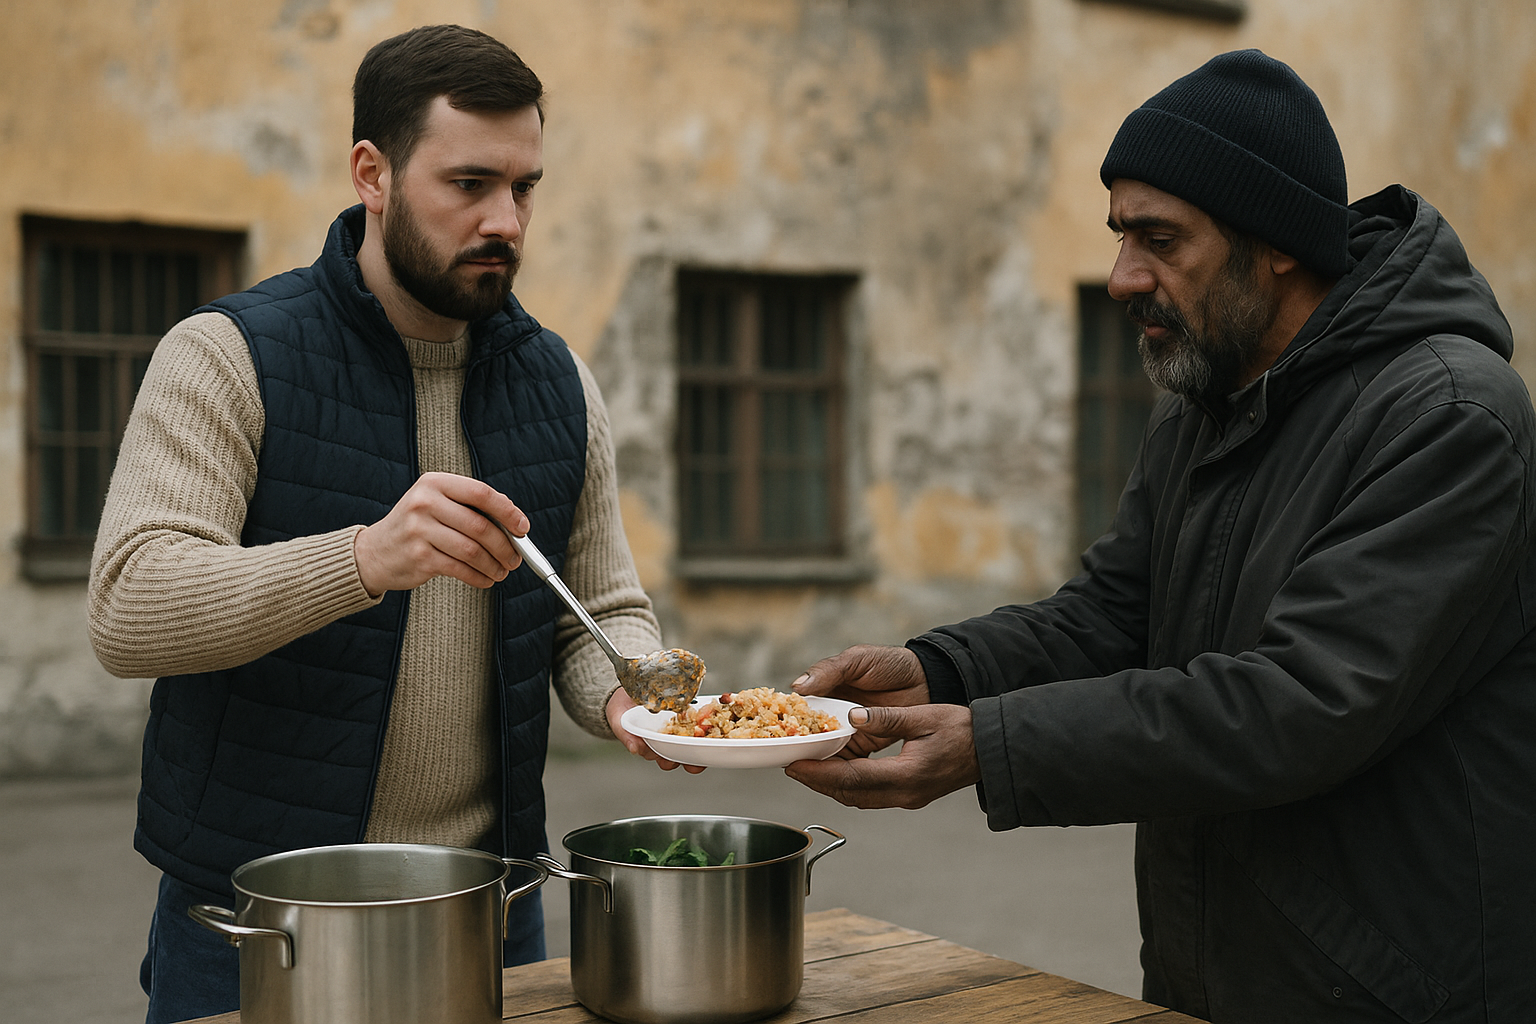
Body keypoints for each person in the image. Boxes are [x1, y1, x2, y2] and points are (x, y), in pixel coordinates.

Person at [787, 49, 1536, 1023]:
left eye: (1160, 239)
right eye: (1121, 234)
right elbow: (1113, 615)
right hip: (1212, 971)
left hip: (1396, 990)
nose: (1121, 277)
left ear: (1276, 242)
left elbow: (1307, 702)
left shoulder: (1449, 414)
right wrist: (939, 672)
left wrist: (991, 746)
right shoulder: (1205, 396)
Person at [87, 24, 679, 1024]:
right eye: (469, 184)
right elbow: (128, 610)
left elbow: (598, 611)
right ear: (373, 173)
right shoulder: (226, 354)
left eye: (525, 187)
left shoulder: (560, 382)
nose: (506, 221)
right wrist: (363, 558)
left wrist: (635, 694)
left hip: (491, 910)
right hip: (260, 918)